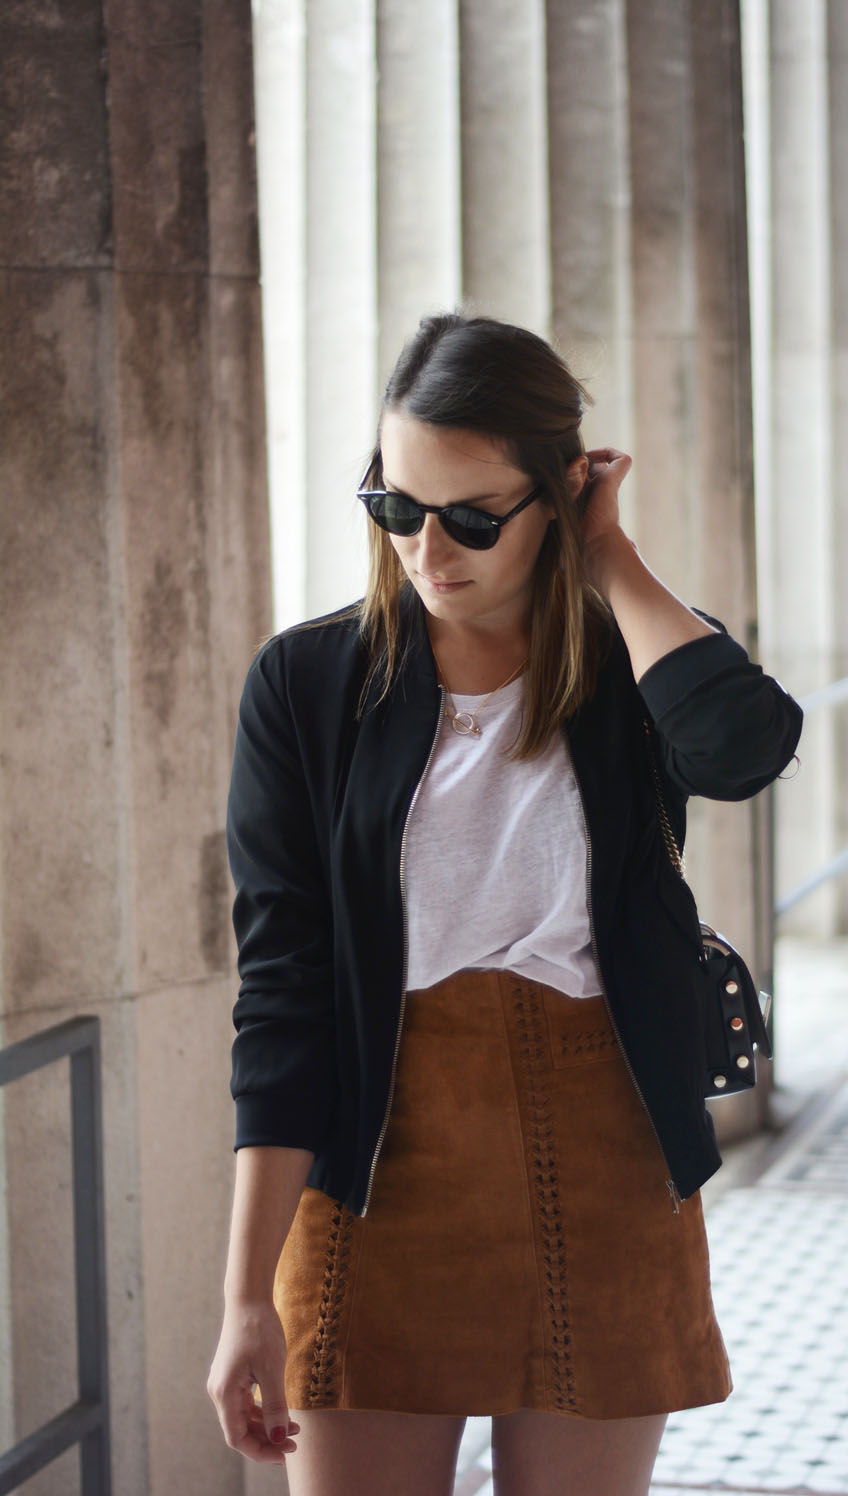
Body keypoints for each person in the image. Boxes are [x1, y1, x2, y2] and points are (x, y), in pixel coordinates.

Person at [207, 312, 803, 1496]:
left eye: (473, 517)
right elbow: (284, 996)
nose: (427, 548)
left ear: (561, 492)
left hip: (607, 1164)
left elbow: (743, 747)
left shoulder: (631, 664)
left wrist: (608, 556)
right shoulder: (307, 684)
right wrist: (242, 1297)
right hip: (376, 1171)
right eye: (396, 504)